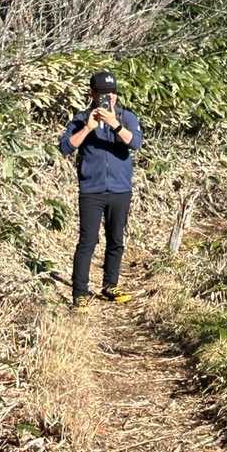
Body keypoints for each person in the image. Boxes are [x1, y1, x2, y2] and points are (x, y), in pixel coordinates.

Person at [59, 70, 143, 308]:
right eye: (104, 93)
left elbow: (136, 143)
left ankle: (110, 285)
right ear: (92, 94)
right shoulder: (81, 119)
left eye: (112, 93)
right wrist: (88, 128)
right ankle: (80, 293)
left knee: (116, 239)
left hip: (120, 189)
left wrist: (115, 124)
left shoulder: (127, 117)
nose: (109, 98)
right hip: (91, 190)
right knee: (87, 241)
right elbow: (65, 147)